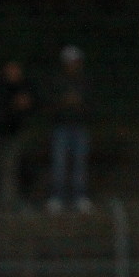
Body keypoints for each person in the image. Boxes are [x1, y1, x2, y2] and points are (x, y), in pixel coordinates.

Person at [0, 60, 36, 209]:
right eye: (11, 69)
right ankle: (3, 200)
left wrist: (25, 104)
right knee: (1, 167)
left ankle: (10, 200)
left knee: (13, 167)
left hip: (16, 133)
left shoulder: (25, 86)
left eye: (16, 69)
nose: (14, 73)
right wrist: (14, 104)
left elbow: (33, 105)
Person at [47, 45, 90, 214]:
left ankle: (79, 196)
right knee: (59, 163)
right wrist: (64, 102)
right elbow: (51, 103)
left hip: (80, 126)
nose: (72, 64)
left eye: (75, 61)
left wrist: (79, 103)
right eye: (69, 61)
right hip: (61, 127)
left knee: (79, 163)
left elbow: (90, 103)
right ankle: (58, 197)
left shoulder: (85, 80)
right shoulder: (57, 80)